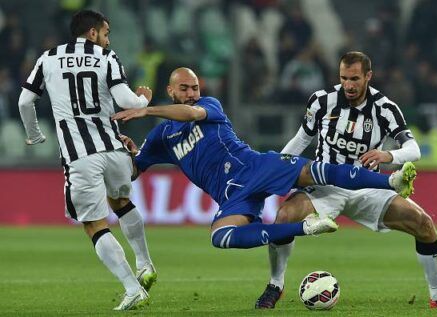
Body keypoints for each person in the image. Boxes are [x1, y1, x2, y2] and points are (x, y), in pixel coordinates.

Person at [113, 67, 415, 253]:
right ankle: (307, 228)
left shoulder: (208, 105)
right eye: (184, 88)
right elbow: (134, 171)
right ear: (170, 90)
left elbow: (191, 114)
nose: (192, 93)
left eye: (194, 87)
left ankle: (390, 180)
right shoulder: (162, 137)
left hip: (253, 167)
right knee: (221, 236)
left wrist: (147, 109)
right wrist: (127, 152)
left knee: (316, 171)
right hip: (230, 195)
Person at [254, 51, 437, 309]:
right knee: (284, 217)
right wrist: (276, 169)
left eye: (354, 78)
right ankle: (275, 285)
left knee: (424, 224)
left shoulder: (385, 108)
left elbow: (413, 149)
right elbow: (302, 139)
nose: (348, 85)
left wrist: (387, 154)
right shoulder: (322, 101)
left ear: (368, 76)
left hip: (367, 188)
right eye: (343, 78)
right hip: (324, 186)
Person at [18, 10, 157, 310]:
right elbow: (126, 101)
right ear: (92, 33)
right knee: (122, 204)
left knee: (94, 225)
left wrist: (34, 135)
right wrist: (144, 99)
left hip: (80, 156)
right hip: (114, 149)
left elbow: (25, 101)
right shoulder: (107, 58)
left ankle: (133, 288)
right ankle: (145, 263)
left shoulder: (47, 58)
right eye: (106, 33)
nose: (108, 40)